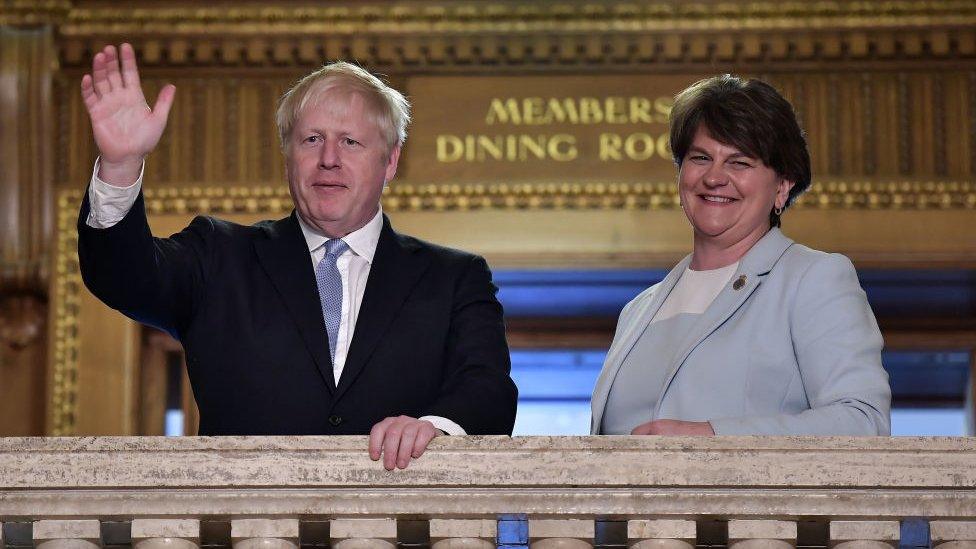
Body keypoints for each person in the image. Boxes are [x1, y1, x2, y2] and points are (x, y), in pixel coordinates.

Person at [77, 43, 517, 468]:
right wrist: (120, 166)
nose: (329, 159)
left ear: (390, 161)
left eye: (350, 142)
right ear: (287, 154)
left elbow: (488, 391)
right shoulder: (218, 256)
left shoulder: (455, 278)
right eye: (311, 139)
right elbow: (124, 276)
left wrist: (433, 428)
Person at [591, 75, 891, 436]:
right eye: (701, 158)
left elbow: (862, 423)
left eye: (740, 163)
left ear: (782, 186)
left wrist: (710, 436)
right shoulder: (638, 310)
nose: (714, 177)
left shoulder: (813, 279)